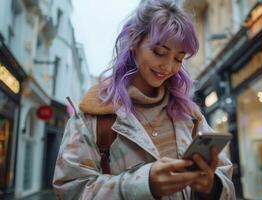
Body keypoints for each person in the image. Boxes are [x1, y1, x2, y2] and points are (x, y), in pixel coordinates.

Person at [52, 0, 236, 199]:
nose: (167, 67)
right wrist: (143, 184)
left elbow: (225, 177)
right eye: (160, 52)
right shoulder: (93, 115)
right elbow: (69, 189)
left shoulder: (190, 117)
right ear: (133, 39)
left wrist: (211, 186)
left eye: (178, 58)